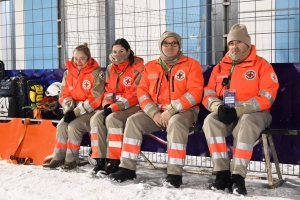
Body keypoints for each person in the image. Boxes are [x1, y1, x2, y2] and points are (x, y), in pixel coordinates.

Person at [109, 31, 204, 188]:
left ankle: (174, 174)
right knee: (133, 121)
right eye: (166, 43)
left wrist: (171, 110)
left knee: (175, 122)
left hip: (183, 111)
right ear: (160, 46)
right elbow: (142, 92)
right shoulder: (150, 66)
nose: (170, 46)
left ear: (180, 46)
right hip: (156, 112)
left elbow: (195, 93)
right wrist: (154, 112)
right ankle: (127, 168)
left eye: (174, 43)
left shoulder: (191, 64)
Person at [202, 24, 279, 195]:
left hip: (256, 114)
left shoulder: (261, 65)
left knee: (246, 121)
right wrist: (218, 107)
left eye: (238, 42)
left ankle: (238, 177)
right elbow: (207, 94)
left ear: (247, 44)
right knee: (210, 121)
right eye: (231, 43)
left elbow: (268, 97)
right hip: (227, 112)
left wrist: (240, 110)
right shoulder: (220, 67)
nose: (234, 47)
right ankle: (222, 174)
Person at [43, 43, 105, 170]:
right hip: (74, 111)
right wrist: (68, 109)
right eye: (75, 58)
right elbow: (64, 94)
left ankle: (71, 160)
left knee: (73, 126)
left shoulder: (96, 73)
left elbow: (95, 99)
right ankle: (58, 157)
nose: (78, 62)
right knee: (61, 126)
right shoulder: (68, 73)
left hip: (92, 112)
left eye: (82, 58)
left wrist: (75, 112)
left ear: (88, 58)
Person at [89, 38, 144, 176]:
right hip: (113, 106)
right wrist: (107, 105)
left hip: (134, 106)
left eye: (121, 51)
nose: (117, 54)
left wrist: (114, 108)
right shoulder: (110, 68)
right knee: (96, 118)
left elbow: (136, 94)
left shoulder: (139, 68)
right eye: (114, 51)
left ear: (128, 51)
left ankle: (114, 161)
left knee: (112, 119)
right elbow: (108, 91)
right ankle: (100, 159)